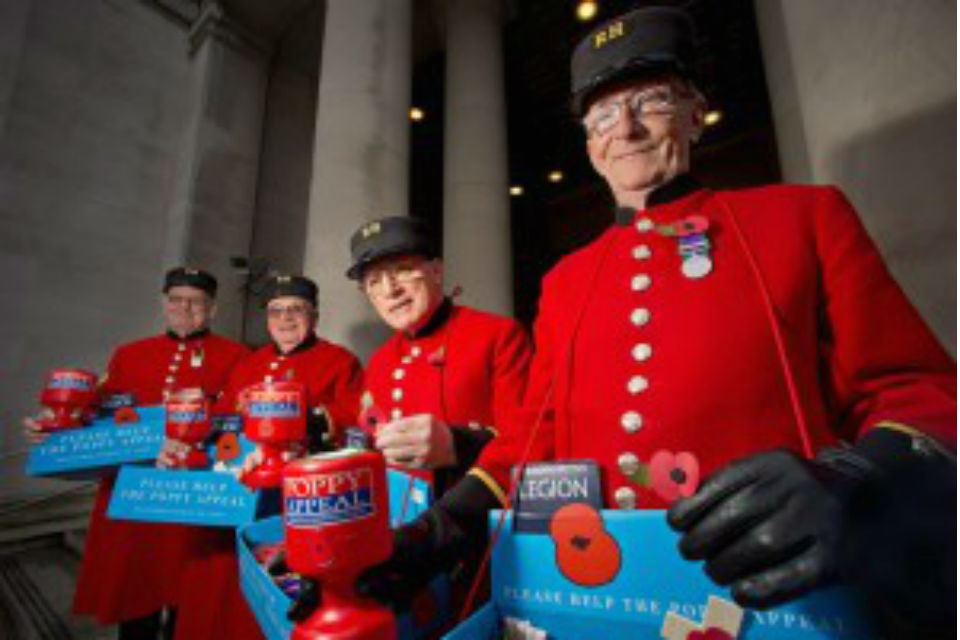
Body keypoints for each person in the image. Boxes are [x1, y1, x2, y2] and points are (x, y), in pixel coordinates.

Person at [361, 6, 957, 637]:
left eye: (651, 100)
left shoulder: (802, 220)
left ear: (696, 112)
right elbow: (536, 443)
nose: (628, 128)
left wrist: (855, 480)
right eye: (603, 114)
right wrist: (443, 526)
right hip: (602, 602)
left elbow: (922, 393)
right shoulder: (565, 281)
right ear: (590, 145)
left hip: (775, 599)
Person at [24, 267, 249, 639]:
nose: (185, 308)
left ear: (212, 308)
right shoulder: (129, 354)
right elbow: (94, 412)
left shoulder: (236, 356)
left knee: (189, 601)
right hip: (133, 495)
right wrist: (53, 425)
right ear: (164, 303)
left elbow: (240, 419)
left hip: (191, 496)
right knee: (135, 598)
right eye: (176, 299)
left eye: (196, 301)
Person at [171, 273, 365, 640]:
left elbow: (353, 419)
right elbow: (226, 419)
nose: (286, 318)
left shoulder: (340, 361)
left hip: (296, 503)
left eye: (297, 309)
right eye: (277, 310)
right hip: (238, 491)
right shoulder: (247, 363)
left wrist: (302, 422)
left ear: (315, 315)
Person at [347, 216, 532, 495]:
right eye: (374, 281)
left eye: (403, 270)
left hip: (475, 514)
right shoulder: (380, 361)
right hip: (402, 517)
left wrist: (457, 444)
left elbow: (526, 441)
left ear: (436, 271)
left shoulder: (497, 335)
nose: (390, 290)